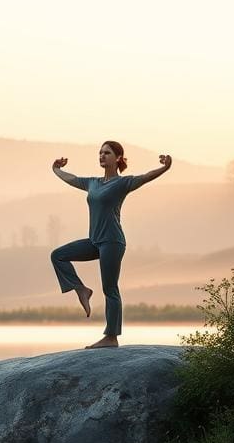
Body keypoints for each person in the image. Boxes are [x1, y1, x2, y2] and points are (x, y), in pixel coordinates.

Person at [50, 141, 171, 348]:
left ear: (118, 158)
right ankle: (81, 289)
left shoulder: (122, 183)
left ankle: (111, 337)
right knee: (58, 255)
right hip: (94, 241)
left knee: (110, 288)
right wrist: (55, 169)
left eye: (107, 153)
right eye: (100, 152)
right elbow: (72, 179)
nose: (102, 155)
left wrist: (165, 167)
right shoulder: (92, 183)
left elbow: (145, 177)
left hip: (112, 242)